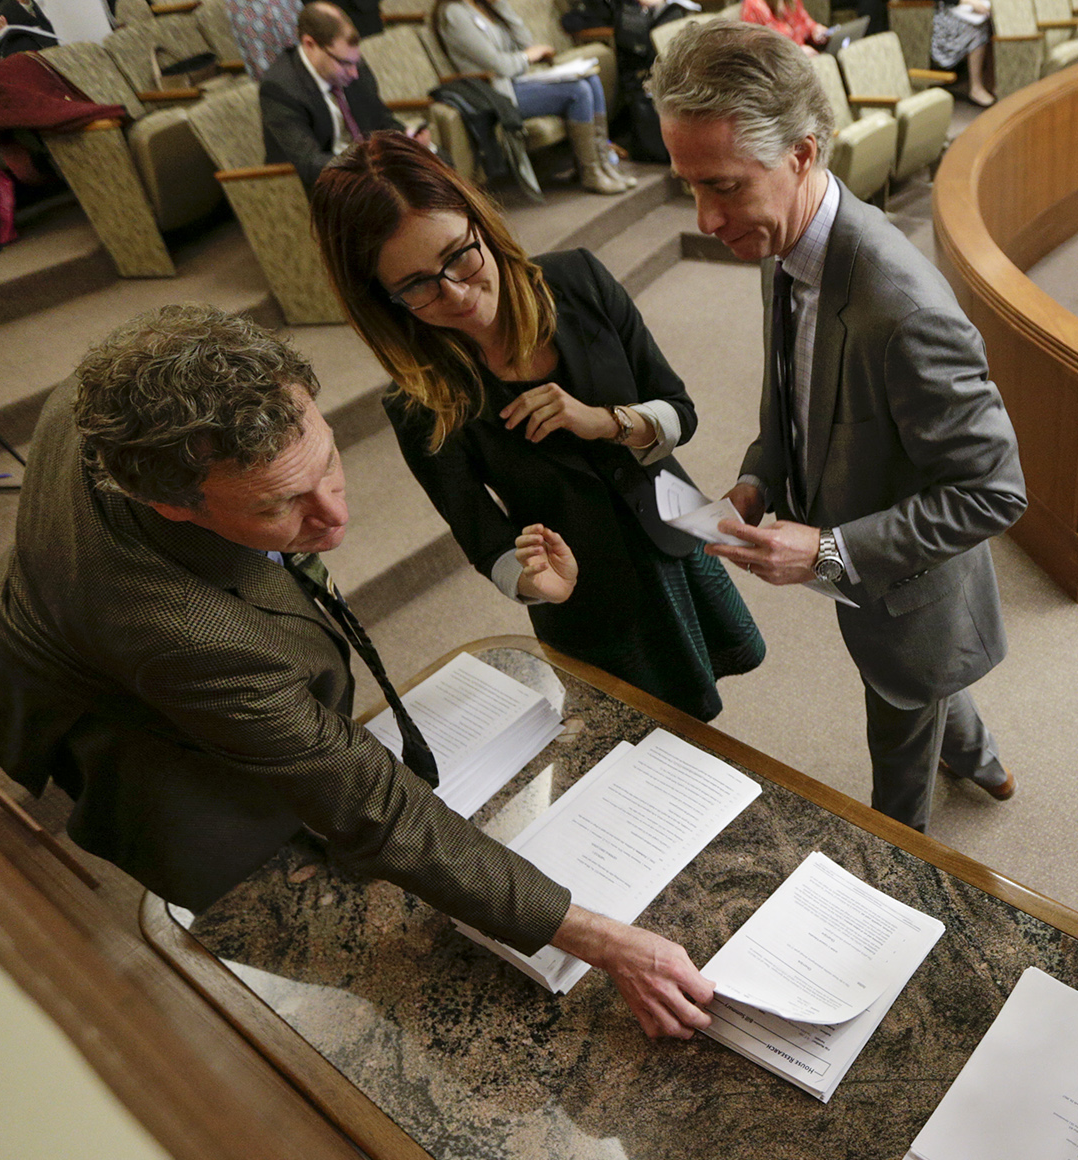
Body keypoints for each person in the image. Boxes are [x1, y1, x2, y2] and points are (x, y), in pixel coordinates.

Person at [0, 305, 716, 1044]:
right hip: (113, 728)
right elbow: (374, 808)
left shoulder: (110, 383)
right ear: (170, 504)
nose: (335, 520)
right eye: (281, 505)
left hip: (94, 621)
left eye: (327, 464)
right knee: (285, 907)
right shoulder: (183, 635)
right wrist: (600, 937)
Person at [653, 20, 1026, 835]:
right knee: (921, 687)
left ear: (802, 154)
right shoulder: (783, 246)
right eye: (690, 187)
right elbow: (791, 396)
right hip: (875, 586)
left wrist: (826, 551)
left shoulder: (907, 311)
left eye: (723, 186)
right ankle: (982, 759)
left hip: (908, 586)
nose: (707, 218)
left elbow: (995, 493)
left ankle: (901, 868)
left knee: (897, 751)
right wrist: (759, 477)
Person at [309, 132, 765, 723]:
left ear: (480, 223)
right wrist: (529, 583)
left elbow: (681, 410)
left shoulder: (578, 280)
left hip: (673, 537)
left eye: (459, 256)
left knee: (708, 706)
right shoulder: (421, 402)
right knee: (640, 735)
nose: (456, 294)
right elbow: (482, 537)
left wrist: (607, 422)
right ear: (384, 297)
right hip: (587, 600)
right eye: (417, 285)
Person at [432, 0, 631, 193]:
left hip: (517, 82)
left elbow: (525, 42)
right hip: (495, 93)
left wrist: (500, 5)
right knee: (578, 90)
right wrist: (528, 56)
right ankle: (591, 171)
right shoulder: (454, 12)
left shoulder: (485, 6)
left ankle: (604, 162)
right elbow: (500, 65)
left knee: (591, 79)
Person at [261, 2, 414, 190]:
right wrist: (373, 163)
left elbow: (381, 118)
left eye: (354, 63)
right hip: (326, 184)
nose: (354, 73)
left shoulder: (352, 63)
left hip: (368, 170)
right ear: (310, 45)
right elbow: (311, 163)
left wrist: (408, 140)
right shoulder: (280, 88)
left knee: (440, 162)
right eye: (344, 64)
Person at [930, 0, 994, 107]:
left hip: (965, 7)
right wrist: (970, 3)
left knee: (992, 22)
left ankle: (991, 83)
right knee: (977, 31)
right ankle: (976, 88)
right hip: (947, 11)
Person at [738, 0, 830, 49]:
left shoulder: (791, 2)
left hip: (805, 56)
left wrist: (815, 29)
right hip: (781, 70)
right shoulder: (753, 6)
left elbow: (805, 22)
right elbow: (759, 50)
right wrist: (798, 53)